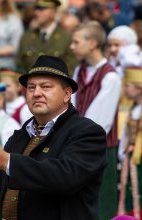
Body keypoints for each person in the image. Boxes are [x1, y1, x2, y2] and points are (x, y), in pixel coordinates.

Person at [0, 55, 107, 220]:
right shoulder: (19, 137)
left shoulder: (88, 133)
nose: (36, 93)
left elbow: (65, 177)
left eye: (45, 87)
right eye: (31, 88)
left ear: (67, 94)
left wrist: (7, 162)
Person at [70, 21, 121, 220]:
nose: (72, 47)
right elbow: (72, 106)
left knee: (100, 205)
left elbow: (100, 121)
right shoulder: (79, 71)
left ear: (92, 43)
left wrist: (76, 137)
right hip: (77, 145)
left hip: (99, 150)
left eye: (76, 42)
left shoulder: (110, 77)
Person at [16, 0, 77, 73]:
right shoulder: (26, 37)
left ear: (53, 12)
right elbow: (19, 67)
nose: (36, 13)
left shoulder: (67, 37)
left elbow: (71, 67)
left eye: (42, 9)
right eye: (36, 9)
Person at [117, 67, 142, 219]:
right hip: (131, 157)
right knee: (129, 192)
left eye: (127, 85)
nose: (124, 88)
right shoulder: (132, 109)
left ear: (138, 88)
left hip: (139, 158)